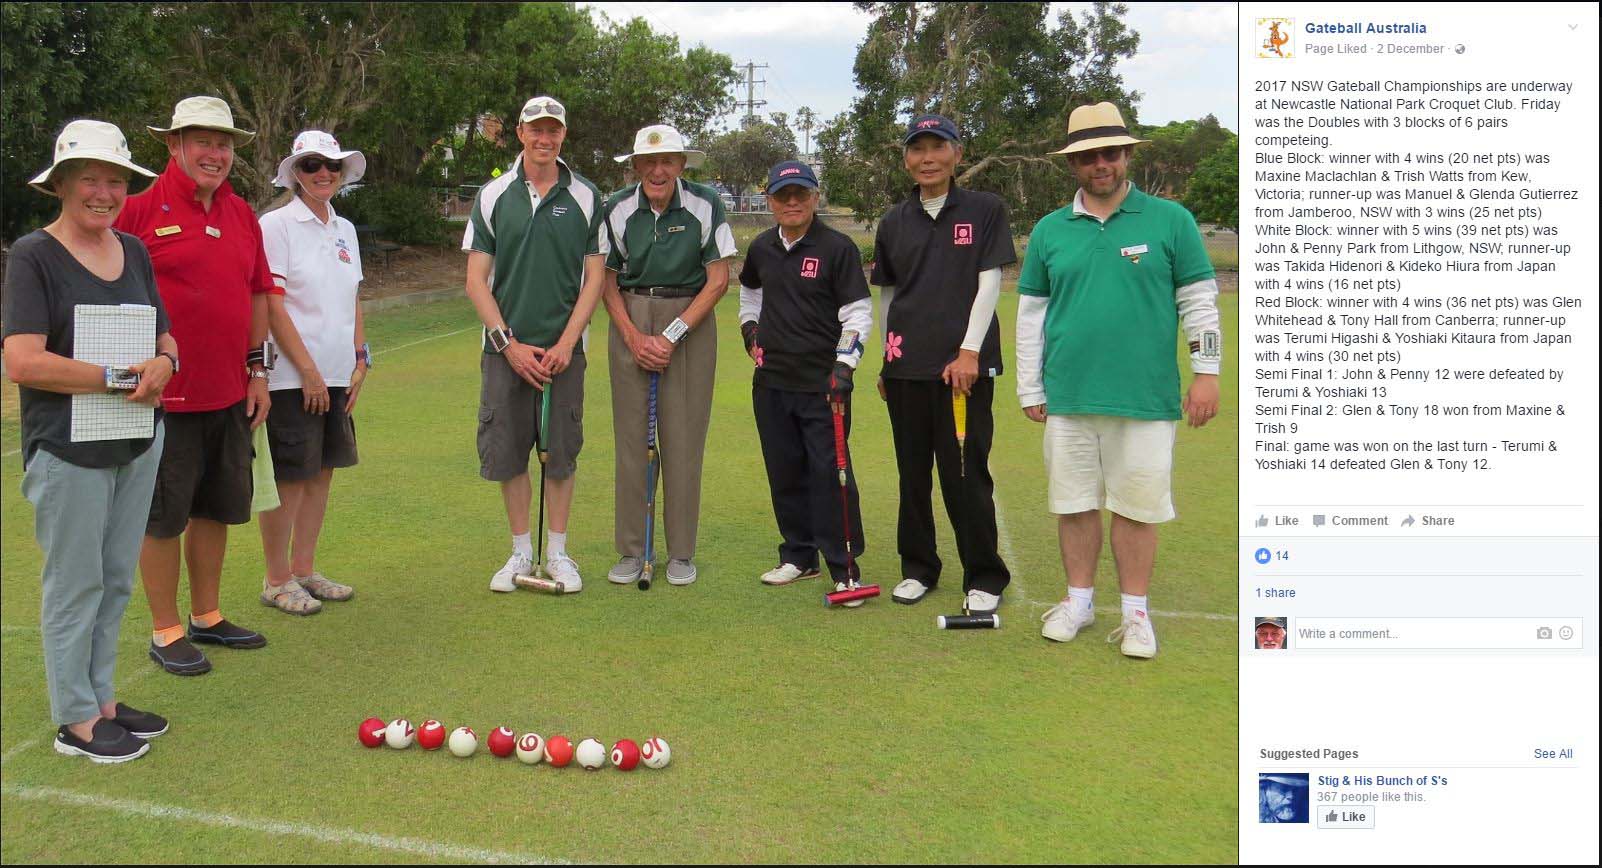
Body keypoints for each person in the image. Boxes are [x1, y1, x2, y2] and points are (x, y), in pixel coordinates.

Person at [1019, 102, 1222, 658]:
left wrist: (1206, 373)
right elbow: (1032, 315)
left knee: (1137, 507)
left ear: (1127, 155)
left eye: (1109, 153)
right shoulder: (1050, 230)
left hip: (1145, 398)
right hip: (1069, 396)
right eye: (1088, 156)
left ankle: (1135, 615)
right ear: (1073, 164)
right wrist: (1030, 387)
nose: (1100, 164)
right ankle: (1079, 602)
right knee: (1074, 503)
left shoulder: (1171, 221)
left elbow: (1199, 303)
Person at [3, 120, 175, 761]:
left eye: (115, 181)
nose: (103, 193)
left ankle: (102, 700)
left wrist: (165, 363)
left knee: (114, 580)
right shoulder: (33, 255)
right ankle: (75, 719)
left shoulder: (133, 250)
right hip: (67, 450)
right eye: (89, 180)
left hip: (136, 440)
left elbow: (163, 334)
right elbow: (22, 361)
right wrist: (116, 378)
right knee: (75, 585)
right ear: (61, 185)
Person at [115, 96, 279, 675]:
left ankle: (207, 615)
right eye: (203, 141)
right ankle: (166, 630)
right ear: (174, 144)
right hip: (164, 400)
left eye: (224, 143)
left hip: (230, 392)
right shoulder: (137, 210)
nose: (215, 153)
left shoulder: (241, 214)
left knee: (215, 508)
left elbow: (258, 293)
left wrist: (258, 371)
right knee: (164, 516)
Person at [870, 114, 1016, 614]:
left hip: (964, 372)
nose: (927, 158)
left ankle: (984, 574)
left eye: (938, 147)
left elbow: (989, 281)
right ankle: (918, 568)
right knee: (912, 475)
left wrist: (970, 350)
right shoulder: (893, 221)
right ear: (906, 159)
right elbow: (889, 295)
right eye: (918, 149)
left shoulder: (984, 209)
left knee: (964, 474)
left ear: (957, 154)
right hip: (906, 368)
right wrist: (888, 360)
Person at [463, 96, 608, 593]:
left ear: (563, 135)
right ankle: (521, 551)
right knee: (508, 453)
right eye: (536, 129)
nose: (544, 139)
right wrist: (509, 345)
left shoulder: (586, 196)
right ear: (520, 133)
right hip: (506, 352)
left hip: (564, 352)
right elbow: (476, 280)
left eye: (553, 130)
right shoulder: (493, 195)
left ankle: (558, 553)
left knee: (561, 453)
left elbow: (594, 277)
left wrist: (567, 342)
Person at [599, 124, 737, 587]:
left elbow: (718, 279)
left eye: (667, 161)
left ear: (681, 164)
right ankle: (631, 550)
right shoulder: (616, 208)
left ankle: (680, 552)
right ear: (636, 166)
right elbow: (607, 281)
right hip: (632, 316)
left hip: (689, 321)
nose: (658, 171)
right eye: (649, 162)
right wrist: (634, 336)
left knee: (683, 441)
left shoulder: (705, 203)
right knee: (631, 442)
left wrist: (672, 335)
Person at [737, 161, 874, 601]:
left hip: (823, 385)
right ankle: (799, 555)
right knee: (784, 470)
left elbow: (857, 313)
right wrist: (750, 331)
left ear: (815, 197)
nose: (792, 202)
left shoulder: (837, 248)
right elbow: (750, 293)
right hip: (772, 382)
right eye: (783, 195)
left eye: (801, 194)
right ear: (770, 200)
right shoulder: (761, 248)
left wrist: (845, 365)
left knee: (830, 473)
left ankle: (844, 566)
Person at [255, 130, 371, 614]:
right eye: (312, 165)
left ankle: (303, 569)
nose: (324, 173)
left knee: (322, 472)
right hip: (291, 377)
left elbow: (353, 296)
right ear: (295, 174)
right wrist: (308, 371)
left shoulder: (345, 229)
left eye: (332, 165)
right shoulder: (276, 225)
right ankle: (276, 578)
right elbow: (273, 303)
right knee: (290, 477)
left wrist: (361, 358)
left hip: (338, 373)